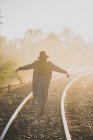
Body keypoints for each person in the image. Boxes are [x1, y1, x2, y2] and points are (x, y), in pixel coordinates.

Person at [16, 51, 69, 116]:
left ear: (46, 57)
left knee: (44, 94)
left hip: (46, 81)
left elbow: (57, 68)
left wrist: (65, 72)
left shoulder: (49, 64)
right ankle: (41, 107)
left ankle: (42, 107)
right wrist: (20, 68)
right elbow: (29, 66)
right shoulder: (36, 63)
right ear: (40, 57)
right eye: (41, 57)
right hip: (38, 80)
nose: (42, 58)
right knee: (38, 92)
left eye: (43, 57)